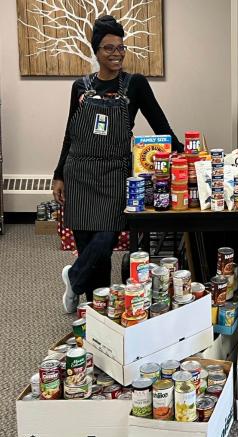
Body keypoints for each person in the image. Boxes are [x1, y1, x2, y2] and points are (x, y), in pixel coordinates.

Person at [53, 15, 183, 313]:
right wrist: (58, 174)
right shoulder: (80, 87)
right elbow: (69, 133)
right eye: (109, 48)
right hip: (79, 171)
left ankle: (73, 277)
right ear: (96, 51)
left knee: (106, 239)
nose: (116, 54)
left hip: (114, 174)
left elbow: (160, 124)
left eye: (121, 48)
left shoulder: (134, 84)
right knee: (88, 248)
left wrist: (184, 153)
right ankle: (93, 310)